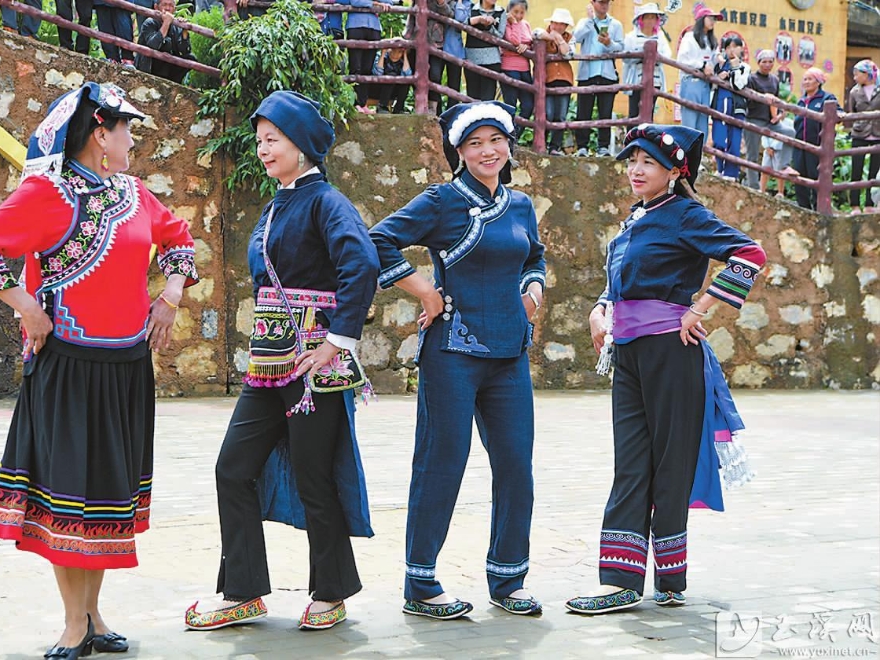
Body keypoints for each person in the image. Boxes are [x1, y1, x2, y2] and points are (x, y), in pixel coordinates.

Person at [0, 82, 198, 658]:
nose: (133, 139)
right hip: (69, 369)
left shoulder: (136, 195)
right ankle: (73, 624)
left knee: (107, 500)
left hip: (127, 368)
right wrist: (28, 307)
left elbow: (178, 239)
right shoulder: (49, 194)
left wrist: (171, 295)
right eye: (126, 129)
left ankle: (92, 615)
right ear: (99, 133)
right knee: (71, 501)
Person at [184, 91, 379, 632]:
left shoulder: (326, 202)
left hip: (314, 368)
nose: (263, 150)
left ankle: (332, 590)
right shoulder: (277, 204)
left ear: (302, 146)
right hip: (267, 363)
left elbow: (360, 265)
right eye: (260, 140)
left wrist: (338, 341)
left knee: (315, 476)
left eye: (273, 140)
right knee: (232, 467)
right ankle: (243, 591)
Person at [566, 124, 764, 615]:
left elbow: (750, 254)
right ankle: (621, 581)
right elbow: (620, 282)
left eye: (649, 162)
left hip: (671, 352)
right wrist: (599, 310)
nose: (636, 169)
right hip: (629, 354)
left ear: (675, 172)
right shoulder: (637, 218)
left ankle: (671, 578)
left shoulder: (685, 214)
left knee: (669, 464)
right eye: (633, 159)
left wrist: (701, 309)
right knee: (630, 461)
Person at [370, 101, 547, 620]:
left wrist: (531, 293)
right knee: (441, 463)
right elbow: (379, 239)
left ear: (508, 144)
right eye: (474, 143)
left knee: (516, 465)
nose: (487, 150)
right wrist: (424, 291)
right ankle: (420, 584)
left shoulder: (519, 206)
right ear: (459, 152)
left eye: (495, 140)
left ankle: (509, 578)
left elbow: (533, 256)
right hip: (453, 352)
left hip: (510, 354)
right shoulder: (442, 201)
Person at [571, 0, 624, 157]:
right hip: (587, 73)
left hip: (607, 73)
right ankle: (582, 147)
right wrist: (589, 20)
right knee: (583, 111)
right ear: (592, 3)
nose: (604, 5)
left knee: (605, 112)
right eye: (601, 2)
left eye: (607, 2)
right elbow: (576, 38)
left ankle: (603, 147)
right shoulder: (584, 22)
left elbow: (621, 47)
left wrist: (609, 43)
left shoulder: (615, 24)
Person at [743, 50, 795, 190]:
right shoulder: (751, 79)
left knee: (789, 132)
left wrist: (778, 115)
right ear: (758, 63)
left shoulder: (774, 80)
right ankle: (753, 187)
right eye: (764, 61)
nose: (767, 64)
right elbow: (748, 97)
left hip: (770, 121)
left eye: (770, 61)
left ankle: (783, 166)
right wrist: (762, 95)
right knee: (752, 155)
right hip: (753, 118)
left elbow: (776, 101)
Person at [791, 68, 837, 210]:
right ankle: (803, 208)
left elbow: (839, 114)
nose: (806, 82)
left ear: (818, 82)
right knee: (799, 176)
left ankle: (819, 209)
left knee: (816, 177)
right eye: (804, 79)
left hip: (818, 146)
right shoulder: (801, 100)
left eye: (810, 79)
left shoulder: (827, 98)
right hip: (800, 145)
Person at [676, 4, 720, 146]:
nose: (713, 21)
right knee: (690, 120)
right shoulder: (689, 37)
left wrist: (716, 62)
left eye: (714, 19)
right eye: (710, 18)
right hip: (690, 81)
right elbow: (682, 59)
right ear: (701, 19)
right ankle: (685, 158)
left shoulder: (712, 41)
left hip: (705, 85)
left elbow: (714, 59)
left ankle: (697, 158)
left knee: (703, 122)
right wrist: (701, 66)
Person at [533, 8, 574, 155]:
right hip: (546, 80)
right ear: (551, 23)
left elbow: (568, 55)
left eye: (562, 24)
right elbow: (535, 33)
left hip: (564, 79)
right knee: (547, 113)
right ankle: (541, 143)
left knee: (560, 115)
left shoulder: (570, 38)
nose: (558, 27)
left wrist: (560, 40)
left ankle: (554, 147)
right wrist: (552, 37)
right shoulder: (542, 33)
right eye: (555, 23)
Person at [346, 0, 396, 114]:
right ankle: (354, 103)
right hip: (356, 25)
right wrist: (376, 4)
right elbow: (356, 1)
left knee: (367, 68)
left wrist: (377, 3)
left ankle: (363, 103)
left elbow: (389, 2)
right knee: (355, 66)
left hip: (374, 27)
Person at [710, 35, 749, 181]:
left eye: (735, 46)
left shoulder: (745, 67)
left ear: (741, 48)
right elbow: (711, 83)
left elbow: (739, 84)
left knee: (734, 141)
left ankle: (731, 174)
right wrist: (719, 76)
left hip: (737, 108)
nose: (731, 50)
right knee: (718, 139)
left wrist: (734, 67)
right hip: (719, 105)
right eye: (728, 47)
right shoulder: (719, 65)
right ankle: (720, 169)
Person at [403, 0, 453, 115]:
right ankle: (420, 106)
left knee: (435, 76)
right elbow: (411, 17)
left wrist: (440, 3)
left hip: (436, 42)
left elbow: (450, 14)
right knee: (415, 75)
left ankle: (432, 108)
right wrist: (407, 38)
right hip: (416, 40)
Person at [622, 2, 669, 122]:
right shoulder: (631, 36)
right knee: (634, 113)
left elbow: (667, 54)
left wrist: (655, 57)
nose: (650, 20)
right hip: (636, 80)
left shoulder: (660, 36)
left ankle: (646, 139)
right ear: (641, 19)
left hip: (655, 80)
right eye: (647, 17)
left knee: (649, 113)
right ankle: (632, 139)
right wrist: (641, 55)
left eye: (653, 17)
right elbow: (626, 57)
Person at [846, 59, 880, 212]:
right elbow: (852, 112)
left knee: (874, 171)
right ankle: (854, 205)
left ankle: (869, 204)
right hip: (860, 133)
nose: (855, 77)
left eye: (857, 74)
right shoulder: (854, 91)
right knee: (856, 170)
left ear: (867, 74)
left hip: (878, 133)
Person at [136, 0, 197, 84]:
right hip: (149, 66)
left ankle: (173, 83)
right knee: (166, 44)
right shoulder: (149, 22)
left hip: (168, 68)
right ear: (156, 7)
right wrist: (166, 23)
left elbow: (185, 51)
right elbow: (154, 45)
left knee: (191, 58)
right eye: (164, 5)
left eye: (171, 5)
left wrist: (184, 31)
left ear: (174, 9)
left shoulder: (176, 25)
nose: (168, 8)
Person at [501, 0, 534, 134]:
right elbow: (513, 40)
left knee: (528, 105)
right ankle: (508, 135)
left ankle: (515, 135)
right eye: (515, 12)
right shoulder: (506, 23)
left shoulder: (526, 24)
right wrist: (514, 23)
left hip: (525, 68)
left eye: (521, 12)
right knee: (511, 104)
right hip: (509, 67)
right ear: (509, 10)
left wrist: (527, 47)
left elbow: (531, 42)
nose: (519, 16)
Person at [465, 0, 507, 101]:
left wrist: (489, 27)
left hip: (492, 59)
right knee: (472, 98)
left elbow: (500, 36)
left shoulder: (501, 12)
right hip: (472, 57)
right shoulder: (471, 8)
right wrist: (477, 20)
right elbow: (460, 24)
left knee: (488, 99)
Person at [441, 0, 473, 112]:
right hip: (437, 46)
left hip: (455, 49)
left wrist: (459, 2)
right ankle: (436, 114)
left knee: (454, 85)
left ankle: (451, 115)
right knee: (434, 80)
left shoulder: (467, 4)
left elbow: (460, 19)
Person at [373, 45, 413, 114]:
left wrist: (405, 55)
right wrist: (383, 54)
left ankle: (399, 109)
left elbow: (408, 75)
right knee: (391, 76)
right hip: (379, 89)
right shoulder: (381, 56)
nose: (395, 55)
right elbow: (377, 74)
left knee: (405, 80)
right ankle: (382, 106)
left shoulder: (402, 61)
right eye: (393, 51)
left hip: (393, 91)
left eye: (399, 52)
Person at [94, 0, 135, 66]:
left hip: (122, 3)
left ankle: (127, 59)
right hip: (102, 3)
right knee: (105, 31)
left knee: (124, 29)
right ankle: (111, 59)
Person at [760, 122, 789, 198]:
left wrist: (774, 146)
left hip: (779, 148)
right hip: (767, 148)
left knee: (779, 170)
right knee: (765, 169)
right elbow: (764, 134)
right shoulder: (768, 123)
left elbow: (785, 136)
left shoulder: (787, 122)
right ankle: (762, 190)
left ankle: (780, 192)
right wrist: (767, 147)